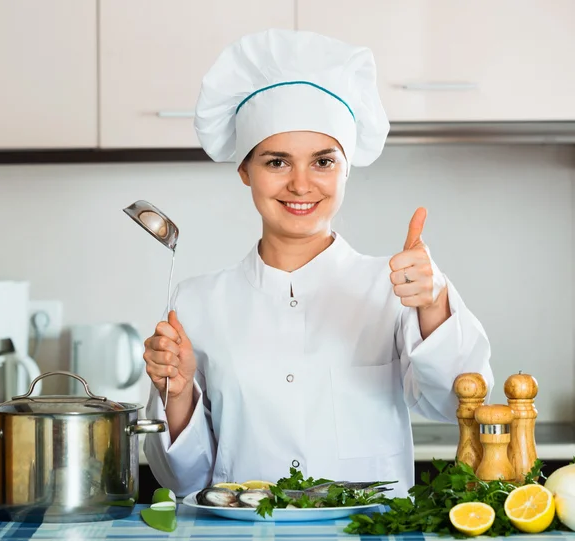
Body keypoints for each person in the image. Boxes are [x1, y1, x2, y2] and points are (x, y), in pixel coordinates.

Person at [143, 29, 493, 498]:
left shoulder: (398, 287)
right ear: (245, 170)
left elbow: (459, 403)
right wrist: (179, 395)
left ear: (347, 167)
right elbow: (182, 480)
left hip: (366, 532)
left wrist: (433, 306)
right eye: (277, 162)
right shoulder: (197, 302)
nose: (301, 184)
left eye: (323, 162)